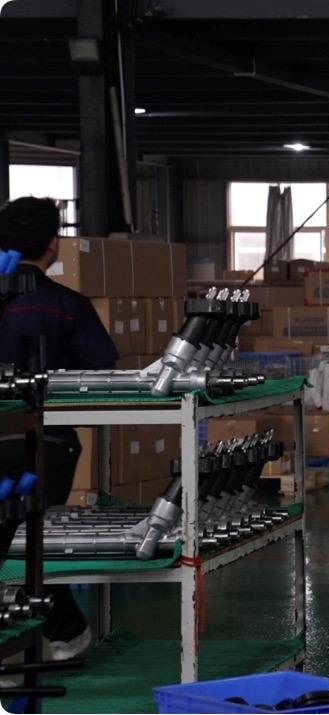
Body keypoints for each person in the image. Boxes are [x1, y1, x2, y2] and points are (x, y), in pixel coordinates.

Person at [0, 196, 118, 660]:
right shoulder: (67, 306)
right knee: (30, 539)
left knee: (15, 540)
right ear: (53, 245)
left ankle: (53, 632)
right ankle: (64, 630)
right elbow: (103, 372)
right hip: (48, 444)